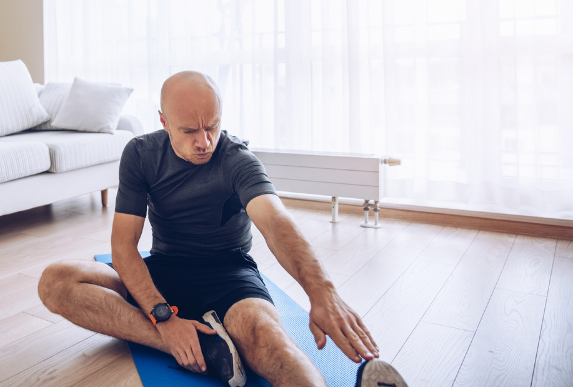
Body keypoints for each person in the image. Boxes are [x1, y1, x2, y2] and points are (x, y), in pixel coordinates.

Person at [38, 71, 407, 387]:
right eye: (189, 130)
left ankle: (213, 341)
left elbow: (276, 222)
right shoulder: (140, 154)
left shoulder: (237, 160)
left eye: (212, 125)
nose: (205, 141)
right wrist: (164, 319)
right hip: (164, 271)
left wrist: (321, 291)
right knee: (56, 281)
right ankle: (210, 348)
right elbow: (123, 247)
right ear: (164, 122)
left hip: (228, 274)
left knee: (269, 339)